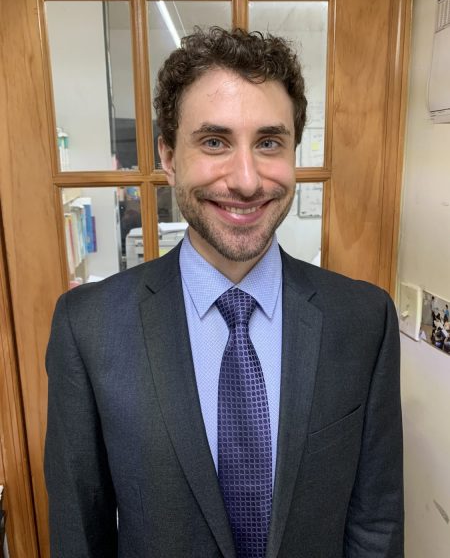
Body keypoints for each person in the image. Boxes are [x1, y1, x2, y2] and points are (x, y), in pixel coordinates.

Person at [45, 27, 403, 558]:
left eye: (269, 142)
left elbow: (376, 523)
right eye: (214, 142)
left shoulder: (363, 320)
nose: (247, 180)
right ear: (169, 156)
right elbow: (80, 531)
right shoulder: (90, 327)